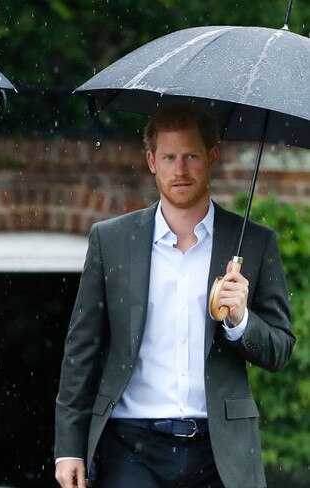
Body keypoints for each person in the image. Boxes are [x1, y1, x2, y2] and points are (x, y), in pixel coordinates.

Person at [54, 102, 295, 488]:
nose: (179, 170)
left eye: (190, 156)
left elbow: (280, 349)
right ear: (152, 161)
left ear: (212, 158)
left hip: (219, 450)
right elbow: (82, 348)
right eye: (169, 157)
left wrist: (241, 320)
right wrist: (69, 448)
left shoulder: (254, 243)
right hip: (129, 444)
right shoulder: (111, 240)